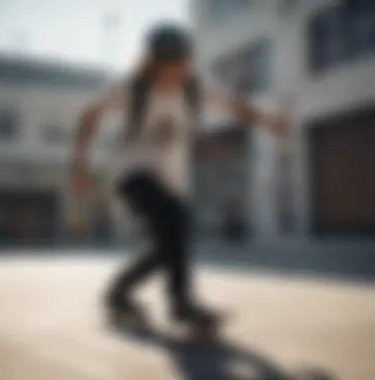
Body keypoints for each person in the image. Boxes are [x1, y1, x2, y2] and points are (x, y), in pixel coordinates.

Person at [70, 23, 286, 329]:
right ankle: (181, 305)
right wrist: (78, 163)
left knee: (167, 246)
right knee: (176, 217)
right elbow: (89, 113)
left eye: (179, 67)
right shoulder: (131, 87)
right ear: (150, 63)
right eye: (165, 69)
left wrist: (268, 120)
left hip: (170, 180)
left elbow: (234, 105)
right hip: (131, 175)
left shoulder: (195, 85)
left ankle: (118, 293)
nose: (172, 75)